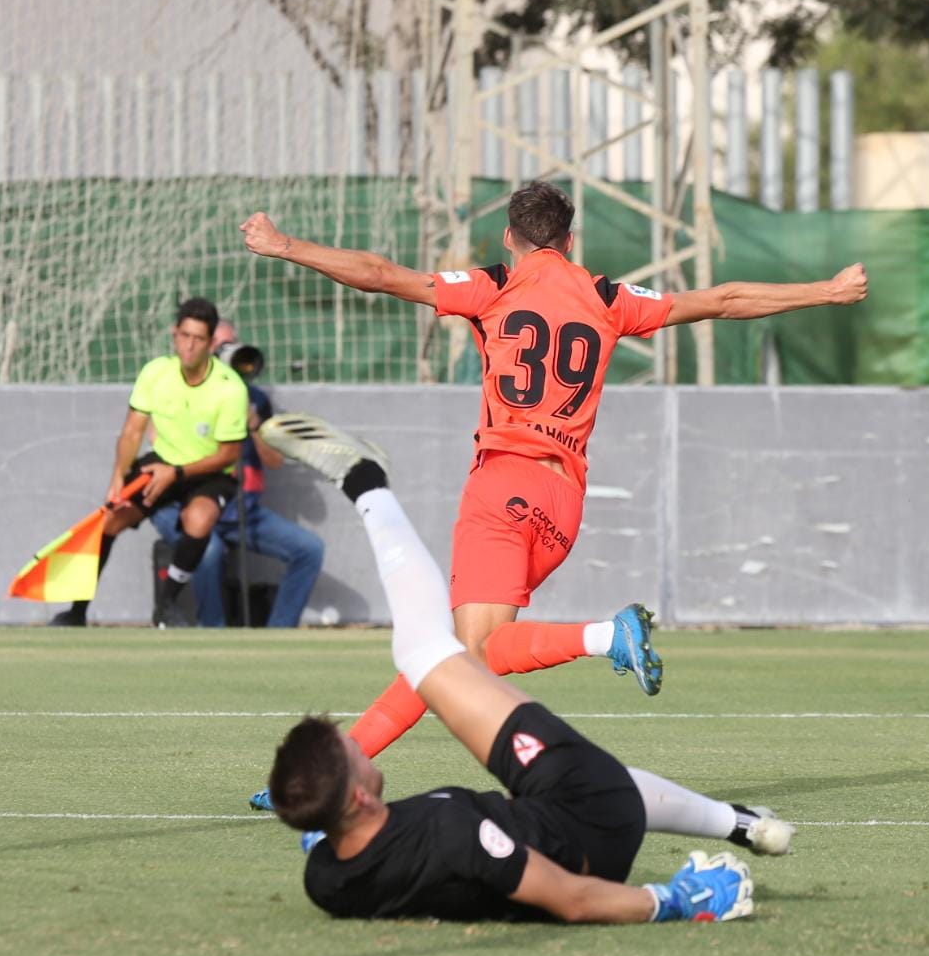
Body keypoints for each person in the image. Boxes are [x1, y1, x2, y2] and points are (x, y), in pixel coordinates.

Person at [241, 182, 869, 769]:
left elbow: (380, 276)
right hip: (563, 503)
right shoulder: (608, 298)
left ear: (508, 238)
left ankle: (605, 636)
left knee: (470, 653)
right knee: (451, 655)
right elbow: (724, 301)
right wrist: (827, 291)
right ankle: (341, 765)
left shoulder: (492, 287)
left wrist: (284, 245)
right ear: (569, 240)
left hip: (503, 485)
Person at [261, 414, 791, 923]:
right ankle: (366, 484)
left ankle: (743, 824)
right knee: (430, 651)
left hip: (556, 817)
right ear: (357, 796)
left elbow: (345, 844)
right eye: (352, 752)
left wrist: (317, 810)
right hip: (592, 830)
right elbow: (571, 900)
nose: (359, 747)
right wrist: (674, 900)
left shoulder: (328, 879)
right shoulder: (454, 836)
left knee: (457, 665)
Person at [50, 297, 249, 628]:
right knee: (110, 520)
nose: (189, 346)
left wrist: (177, 473)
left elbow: (229, 455)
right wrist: (117, 478)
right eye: (184, 336)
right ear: (174, 334)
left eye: (199, 339)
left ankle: (166, 605)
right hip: (162, 463)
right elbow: (132, 432)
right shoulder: (155, 372)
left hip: (208, 470)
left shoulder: (230, 389)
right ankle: (77, 611)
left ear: (211, 343)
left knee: (199, 519)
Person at [150, 320, 325, 627]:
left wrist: (253, 424)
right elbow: (158, 441)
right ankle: (213, 634)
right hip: (186, 506)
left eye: (231, 343)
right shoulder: (180, 389)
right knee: (208, 550)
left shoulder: (254, 398)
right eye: (220, 345)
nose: (227, 351)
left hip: (241, 510)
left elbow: (274, 461)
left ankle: (277, 636)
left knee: (310, 550)